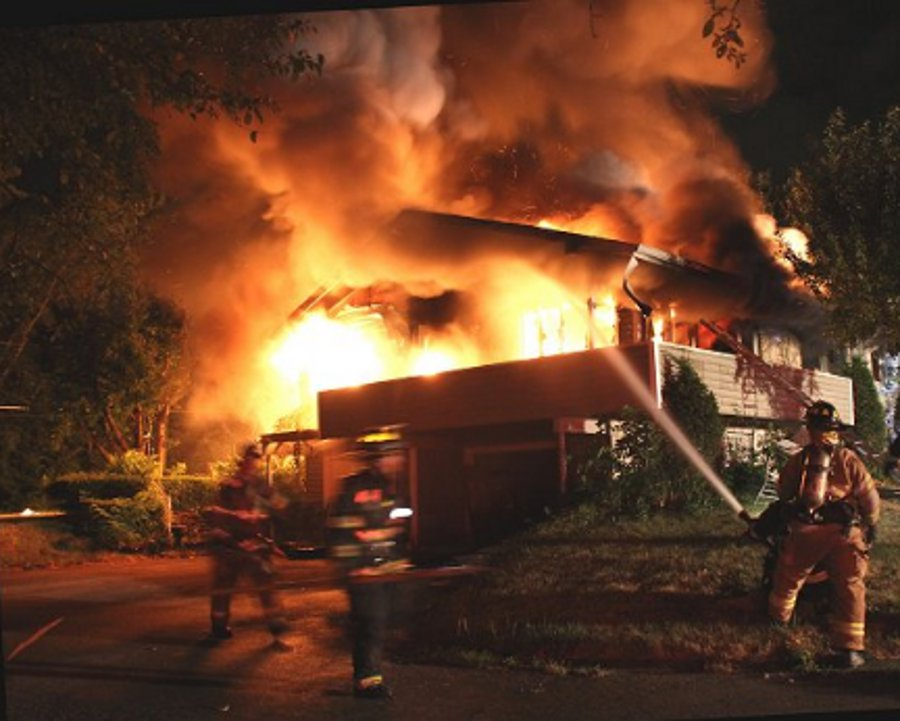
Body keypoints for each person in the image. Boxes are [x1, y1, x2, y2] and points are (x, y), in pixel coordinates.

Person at [767, 400, 881, 668]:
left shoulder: (801, 458)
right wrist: (872, 523)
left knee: (789, 578)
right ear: (835, 430)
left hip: (807, 531)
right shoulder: (848, 459)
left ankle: (777, 624)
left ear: (810, 428)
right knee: (851, 586)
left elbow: (784, 493)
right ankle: (850, 649)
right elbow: (869, 497)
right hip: (845, 533)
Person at [326, 428, 411, 700]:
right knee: (370, 622)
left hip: (381, 571)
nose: (398, 459)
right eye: (393, 454)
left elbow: (395, 529)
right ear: (379, 457)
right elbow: (340, 530)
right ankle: (367, 682)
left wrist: (396, 562)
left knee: (381, 621)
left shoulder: (389, 489)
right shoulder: (353, 487)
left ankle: (370, 674)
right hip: (363, 572)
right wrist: (354, 566)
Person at [203, 442, 292, 651]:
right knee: (223, 588)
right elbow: (216, 512)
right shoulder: (229, 486)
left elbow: (280, 505)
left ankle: (277, 631)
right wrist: (235, 519)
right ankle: (219, 627)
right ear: (243, 461)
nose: (254, 463)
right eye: (251, 459)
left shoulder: (261, 486)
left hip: (254, 543)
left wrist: (273, 511)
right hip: (230, 545)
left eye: (256, 459)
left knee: (266, 586)